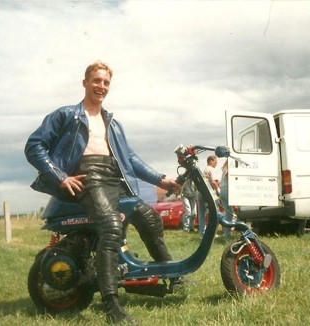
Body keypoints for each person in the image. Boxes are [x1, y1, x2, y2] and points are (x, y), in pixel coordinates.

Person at [25, 61, 180, 324]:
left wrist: (161, 179)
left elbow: (130, 158)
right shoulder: (66, 115)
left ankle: (174, 276)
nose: (101, 86)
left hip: (114, 178)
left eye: (106, 82)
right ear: (85, 82)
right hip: (88, 177)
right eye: (96, 80)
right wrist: (60, 177)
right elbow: (34, 146)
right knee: (110, 228)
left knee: (150, 219)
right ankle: (111, 304)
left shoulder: (112, 122)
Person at [198, 155, 220, 237]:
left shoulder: (204, 169)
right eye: (215, 162)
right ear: (211, 161)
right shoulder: (211, 169)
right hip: (208, 192)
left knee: (202, 214)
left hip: (200, 192)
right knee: (213, 213)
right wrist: (217, 190)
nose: (216, 164)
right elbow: (213, 182)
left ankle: (202, 233)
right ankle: (212, 233)